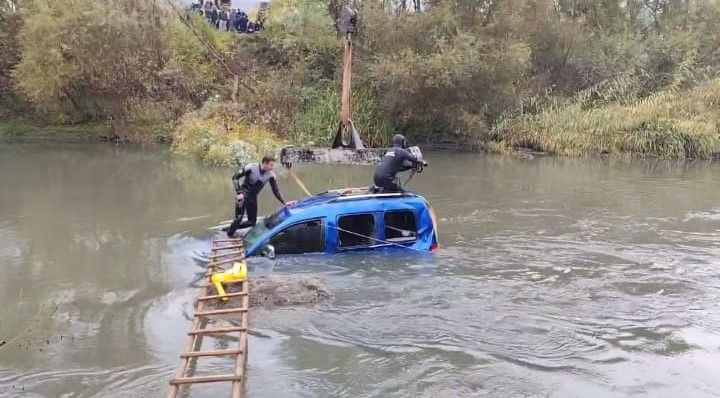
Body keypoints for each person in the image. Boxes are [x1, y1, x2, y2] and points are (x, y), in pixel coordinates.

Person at [226, 156, 295, 238]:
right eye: (271, 165)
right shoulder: (251, 167)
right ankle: (230, 235)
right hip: (242, 195)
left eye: (273, 165)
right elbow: (235, 177)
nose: (272, 167)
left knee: (251, 222)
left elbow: (276, 191)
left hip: (252, 197)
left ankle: (231, 228)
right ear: (265, 163)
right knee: (239, 218)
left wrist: (284, 202)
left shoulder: (271, 175)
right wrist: (239, 193)